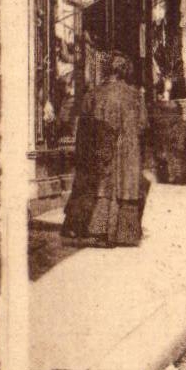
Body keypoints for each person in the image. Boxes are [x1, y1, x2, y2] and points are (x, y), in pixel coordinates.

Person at [63, 53, 149, 247]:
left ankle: (98, 229)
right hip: (128, 149)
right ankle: (125, 234)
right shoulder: (135, 95)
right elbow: (143, 125)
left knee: (103, 188)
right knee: (126, 188)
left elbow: (83, 126)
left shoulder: (93, 93)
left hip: (101, 148)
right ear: (124, 71)